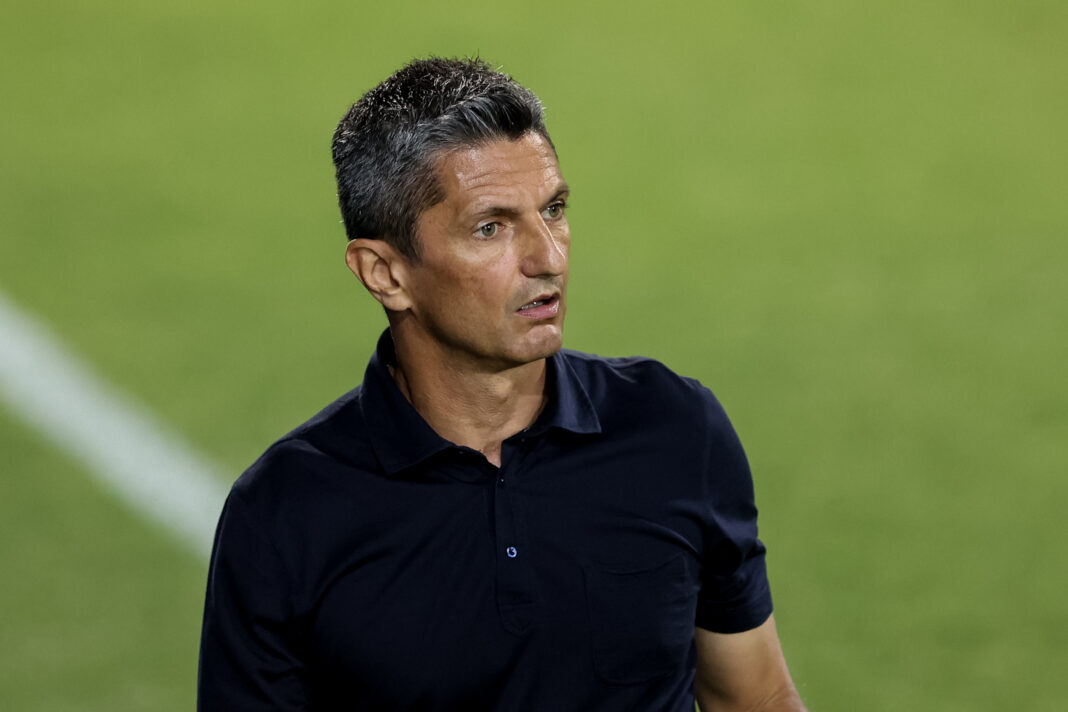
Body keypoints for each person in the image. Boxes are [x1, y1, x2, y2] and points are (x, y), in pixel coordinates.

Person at [197, 57, 806, 711]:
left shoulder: (675, 430)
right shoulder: (285, 513)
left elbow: (756, 699)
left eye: (554, 210)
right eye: (490, 228)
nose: (549, 257)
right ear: (384, 273)